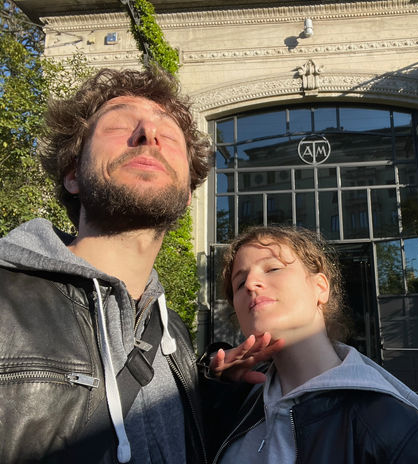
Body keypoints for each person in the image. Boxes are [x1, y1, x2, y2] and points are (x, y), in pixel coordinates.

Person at [0, 66, 279, 464]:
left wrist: (212, 393)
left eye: (169, 134)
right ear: (73, 175)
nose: (149, 134)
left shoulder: (172, 334)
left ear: (187, 193)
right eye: (119, 125)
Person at [207, 225, 418, 463]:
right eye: (240, 283)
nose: (251, 284)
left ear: (320, 288)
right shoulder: (235, 399)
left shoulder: (400, 434)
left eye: (272, 268)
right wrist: (213, 381)